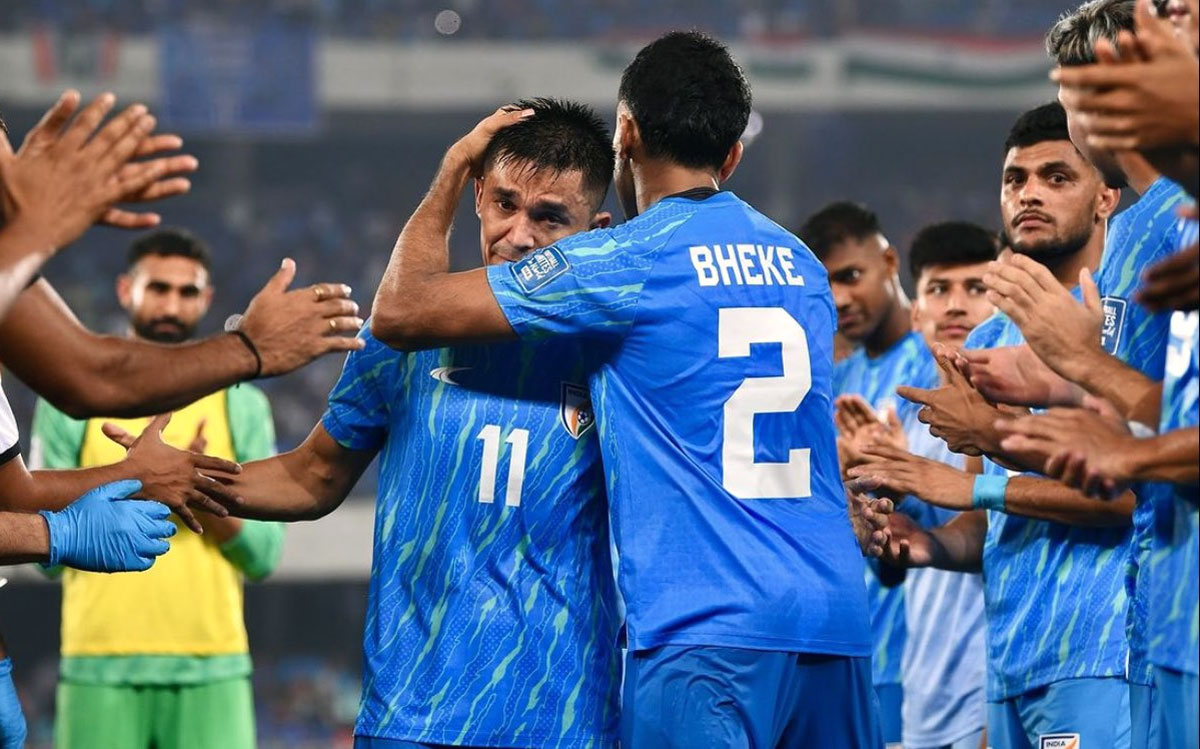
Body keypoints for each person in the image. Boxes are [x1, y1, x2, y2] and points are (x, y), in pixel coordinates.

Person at [368, 32, 891, 747]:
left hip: (703, 631)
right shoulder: (799, 263)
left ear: (627, 134)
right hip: (832, 622)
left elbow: (401, 312)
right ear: (732, 155)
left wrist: (460, 164)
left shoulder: (619, 259)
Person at [184, 98, 627, 748]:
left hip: (564, 724)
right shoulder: (402, 341)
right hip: (410, 720)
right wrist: (185, 480)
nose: (520, 235)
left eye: (550, 217)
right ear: (477, 197)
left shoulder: (618, 357)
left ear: (597, 229)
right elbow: (311, 477)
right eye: (504, 203)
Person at [854, 103, 1135, 749]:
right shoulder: (990, 336)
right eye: (1016, 178)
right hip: (1009, 662)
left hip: (1101, 651)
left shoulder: (1119, 317)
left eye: (1057, 176)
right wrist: (927, 546)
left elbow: (1126, 492)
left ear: (1105, 197)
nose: (1029, 192)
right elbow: (987, 523)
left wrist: (971, 488)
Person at [30, 229, 284, 749]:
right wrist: (141, 482)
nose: (172, 303)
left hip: (212, 665)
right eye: (158, 288)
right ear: (126, 291)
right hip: (97, 663)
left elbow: (263, 555)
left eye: (187, 292)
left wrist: (196, 491)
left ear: (206, 299)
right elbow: (43, 556)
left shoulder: (241, 405)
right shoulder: (69, 399)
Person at [799, 201, 921, 747]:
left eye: (852, 276)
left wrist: (898, 472)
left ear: (889, 260)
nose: (841, 298)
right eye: (827, 284)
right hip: (850, 635)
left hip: (926, 642)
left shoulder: (941, 362)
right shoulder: (829, 380)